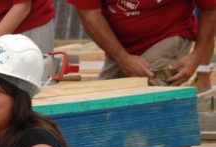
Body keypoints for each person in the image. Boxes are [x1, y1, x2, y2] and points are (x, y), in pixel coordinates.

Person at [67, 0, 216, 87]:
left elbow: (210, 10)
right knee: (103, 102)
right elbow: (89, 14)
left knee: (150, 92)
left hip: (168, 34)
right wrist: (122, 58)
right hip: (121, 46)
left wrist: (197, 55)